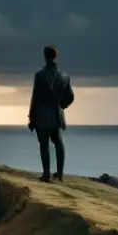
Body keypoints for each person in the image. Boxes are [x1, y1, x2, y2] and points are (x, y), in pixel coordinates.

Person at [28, 46, 74, 182]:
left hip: (42, 115)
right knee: (58, 143)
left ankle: (46, 175)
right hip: (56, 115)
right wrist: (61, 106)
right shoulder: (65, 75)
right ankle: (59, 174)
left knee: (44, 144)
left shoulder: (40, 75)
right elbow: (71, 96)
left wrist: (31, 117)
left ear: (44, 56)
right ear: (56, 56)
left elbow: (35, 97)